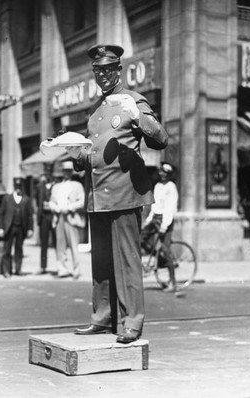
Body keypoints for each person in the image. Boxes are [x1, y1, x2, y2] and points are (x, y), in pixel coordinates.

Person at [66, 44, 168, 343]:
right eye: (98, 70)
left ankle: (131, 322)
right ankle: (103, 318)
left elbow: (161, 139)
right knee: (102, 262)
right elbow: (93, 155)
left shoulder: (133, 100)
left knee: (126, 261)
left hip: (125, 194)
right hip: (98, 196)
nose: (103, 75)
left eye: (109, 69)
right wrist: (72, 150)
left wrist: (137, 114)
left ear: (119, 70)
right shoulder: (95, 111)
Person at [141, 162, 179, 292]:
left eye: (165, 173)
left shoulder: (171, 187)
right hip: (156, 217)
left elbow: (170, 207)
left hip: (165, 219)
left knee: (165, 248)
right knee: (142, 239)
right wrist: (149, 219)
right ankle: (160, 260)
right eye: (161, 173)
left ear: (169, 175)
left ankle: (173, 282)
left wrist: (165, 225)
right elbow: (155, 205)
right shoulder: (157, 186)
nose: (162, 175)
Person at [49, 161, 85, 280]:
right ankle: (62, 269)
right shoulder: (56, 187)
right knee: (60, 246)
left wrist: (70, 208)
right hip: (59, 217)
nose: (66, 173)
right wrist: (57, 208)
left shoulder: (77, 185)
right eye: (65, 171)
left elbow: (82, 201)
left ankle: (76, 270)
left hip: (71, 217)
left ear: (72, 172)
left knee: (74, 246)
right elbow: (51, 202)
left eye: (69, 171)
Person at [0, 177, 34, 277]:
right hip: (9, 227)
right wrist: (1, 227)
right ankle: (6, 270)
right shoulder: (7, 198)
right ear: (14, 186)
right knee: (7, 250)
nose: (18, 188)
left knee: (19, 249)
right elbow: (2, 214)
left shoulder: (26, 199)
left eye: (20, 186)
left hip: (21, 228)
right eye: (16, 186)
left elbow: (30, 215)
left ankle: (18, 269)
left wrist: (30, 228)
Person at [36, 164, 56, 274]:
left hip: (53, 216)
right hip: (44, 216)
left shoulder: (56, 185)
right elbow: (36, 200)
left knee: (56, 241)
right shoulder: (40, 186)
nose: (48, 175)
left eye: (50, 173)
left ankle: (59, 266)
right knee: (43, 243)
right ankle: (43, 266)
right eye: (46, 173)